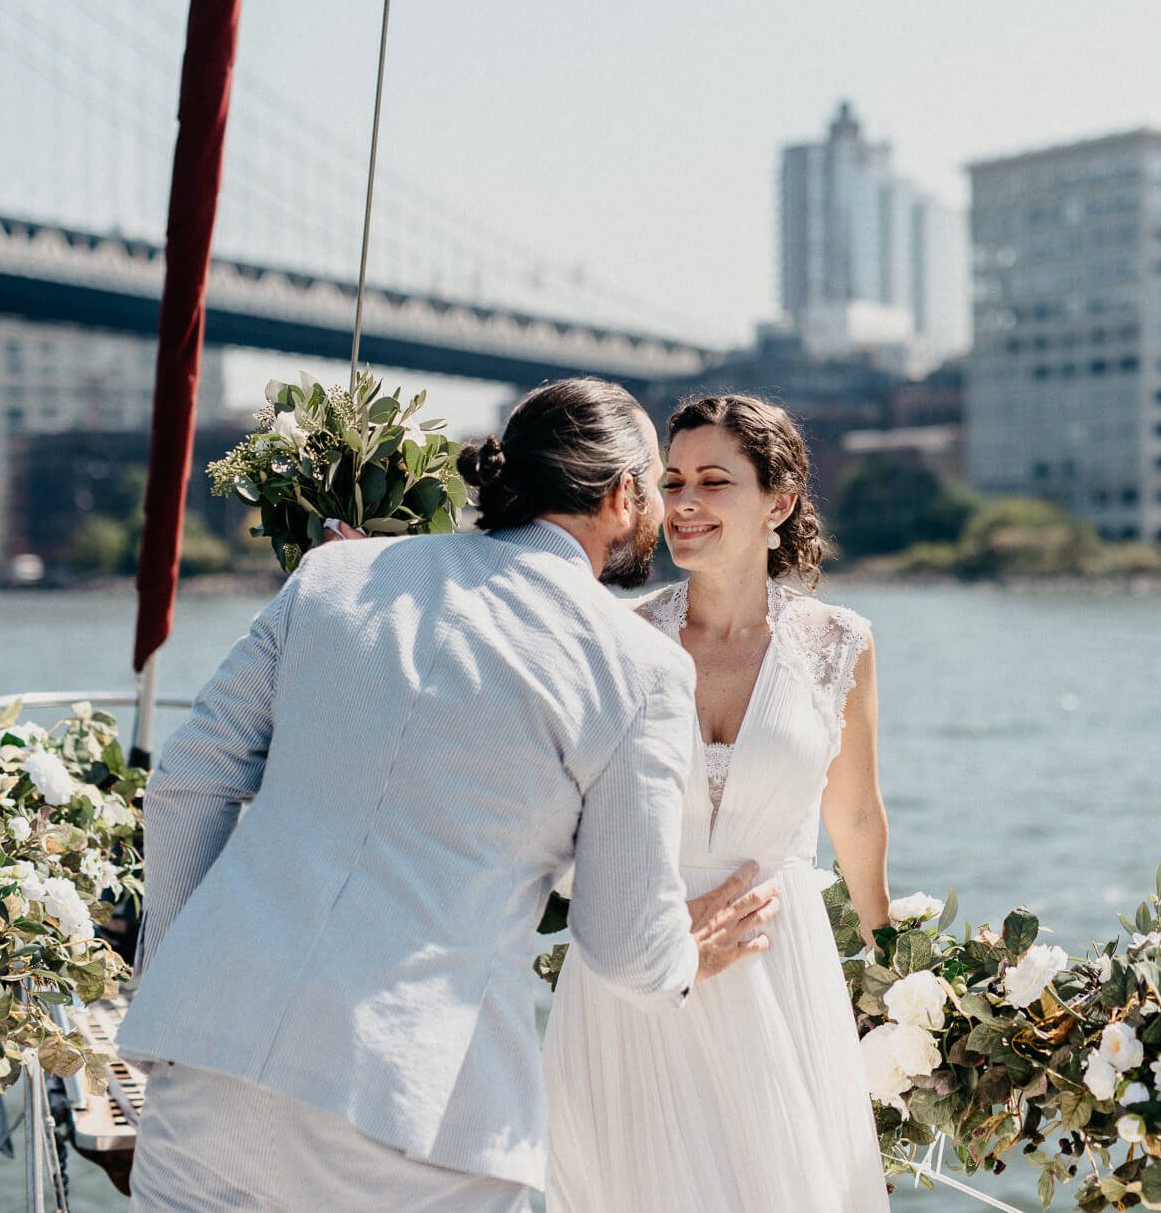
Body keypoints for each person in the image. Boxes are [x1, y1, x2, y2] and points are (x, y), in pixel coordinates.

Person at [119, 377, 782, 1213]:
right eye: (656, 484)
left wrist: (185, 978)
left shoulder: (335, 575)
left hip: (204, 1067)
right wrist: (684, 958)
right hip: (410, 1114)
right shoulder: (639, 667)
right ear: (623, 496)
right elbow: (621, 943)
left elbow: (189, 778)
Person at [544, 393, 893, 1212]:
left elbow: (856, 820)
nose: (685, 502)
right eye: (671, 480)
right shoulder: (618, 635)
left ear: (779, 501)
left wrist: (890, 971)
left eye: (713, 480)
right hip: (640, 970)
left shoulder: (840, 642)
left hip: (779, 970)